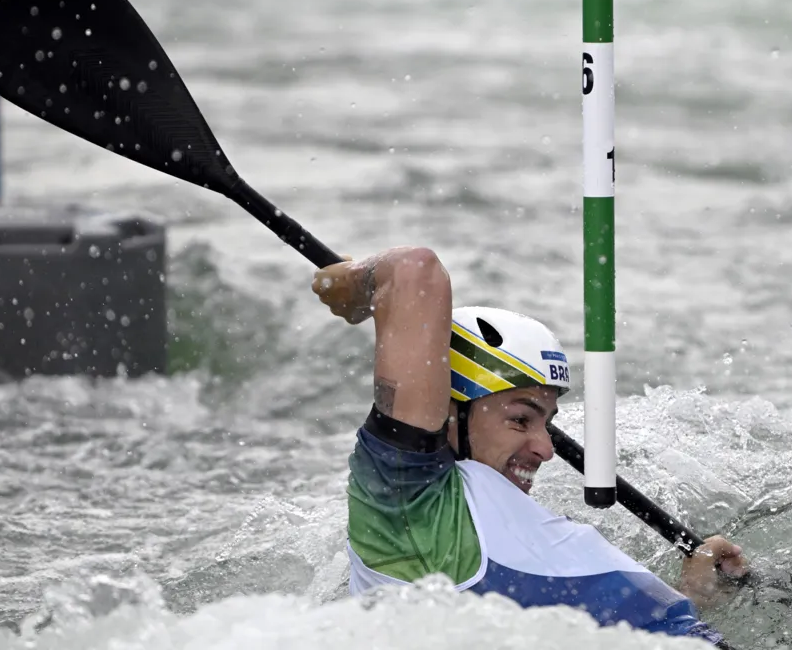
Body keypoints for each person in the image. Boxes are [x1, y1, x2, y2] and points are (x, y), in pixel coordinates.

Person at [312, 246, 748, 644]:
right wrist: (355, 287)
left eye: (547, 422)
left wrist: (693, 595)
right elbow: (411, 271)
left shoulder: (503, 514)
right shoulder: (406, 498)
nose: (545, 448)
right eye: (520, 419)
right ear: (446, 412)